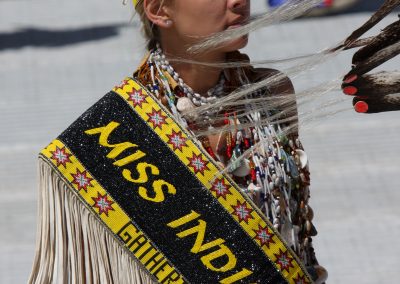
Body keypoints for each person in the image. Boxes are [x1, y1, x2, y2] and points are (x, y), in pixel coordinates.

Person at [29, 0, 328, 283]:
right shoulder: (120, 130)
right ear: (159, 10)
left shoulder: (272, 93)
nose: (239, 1)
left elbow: (295, 222)